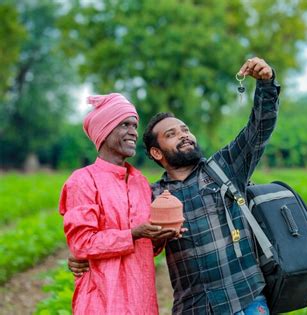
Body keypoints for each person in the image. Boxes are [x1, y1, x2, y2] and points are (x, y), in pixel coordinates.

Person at [69, 57, 280, 314]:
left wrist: (266, 84)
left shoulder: (224, 168)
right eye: (172, 134)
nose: (184, 134)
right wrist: (83, 257)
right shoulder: (150, 194)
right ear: (157, 153)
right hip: (193, 306)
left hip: (244, 297)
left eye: (185, 129)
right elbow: (137, 240)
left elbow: (259, 127)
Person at [59, 93, 178, 314]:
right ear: (104, 131)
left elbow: (145, 247)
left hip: (142, 300)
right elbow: (82, 243)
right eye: (125, 124)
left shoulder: (140, 182)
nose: (133, 131)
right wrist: (133, 233)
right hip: (102, 301)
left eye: (134, 125)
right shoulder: (82, 181)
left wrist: (158, 238)